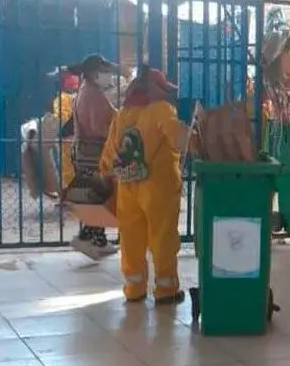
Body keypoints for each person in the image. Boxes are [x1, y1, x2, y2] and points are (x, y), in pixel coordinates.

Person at [100, 66, 189, 304]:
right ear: (155, 90)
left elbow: (110, 154)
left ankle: (134, 288)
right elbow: (178, 139)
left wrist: (106, 173)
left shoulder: (123, 114)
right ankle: (165, 289)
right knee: (162, 237)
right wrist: (192, 135)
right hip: (159, 188)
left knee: (131, 238)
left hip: (128, 188)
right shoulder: (162, 110)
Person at [67, 54, 119, 260]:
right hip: (94, 151)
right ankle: (86, 237)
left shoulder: (87, 90)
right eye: (105, 71)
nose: (108, 75)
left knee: (97, 194)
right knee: (99, 195)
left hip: (87, 151)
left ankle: (98, 240)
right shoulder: (93, 95)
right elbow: (99, 127)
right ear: (94, 73)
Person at [52, 69, 79, 193]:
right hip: (75, 135)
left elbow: (62, 118)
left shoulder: (62, 98)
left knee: (67, 167)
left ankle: (69, 193)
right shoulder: (78, 96)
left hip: (66, 136)